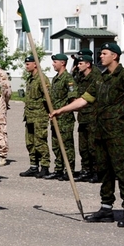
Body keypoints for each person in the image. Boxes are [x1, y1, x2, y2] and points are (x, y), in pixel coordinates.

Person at [49, 43, 124, 228]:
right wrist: (61, 110)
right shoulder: (101, 78)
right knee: (104, 170)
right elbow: (84, 100)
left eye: (104, 53)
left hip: (117, 133)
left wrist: (121, 111)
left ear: (114, 56)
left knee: (121, 171)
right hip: (100, 131)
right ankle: (106, 208)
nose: (100, 56)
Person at [44, 53, 78, 181]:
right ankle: (58, 169)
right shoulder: (55, 78)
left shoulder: (68, 79)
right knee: (56, 145)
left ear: (62, 63)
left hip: (64, 118)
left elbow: (73, 99)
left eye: (55, 62)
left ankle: (69, 170)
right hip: (55, 117)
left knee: (66, 145)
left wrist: (63, 110)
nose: (53, 64)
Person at [19, 56, 51, 179]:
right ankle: (33, 166)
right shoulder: (30, 79)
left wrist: (48, 112)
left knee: (40, 142)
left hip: (39, 116)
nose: (26, 66)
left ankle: (45, 167)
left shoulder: (42, 79)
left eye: (28, 64)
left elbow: (48, 97)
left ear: (35, 64)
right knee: (30, 143)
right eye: (25, 64)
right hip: (29, 116)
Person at [74, 54, 101, 183]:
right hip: (83, 117)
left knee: (93, 147)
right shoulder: (81, 78)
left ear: (88, 64)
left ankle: (97, 171)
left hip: (93, 117)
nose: (78, 66)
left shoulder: (96, 78)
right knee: (83, 147)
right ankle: (86, 170)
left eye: (80, 63)